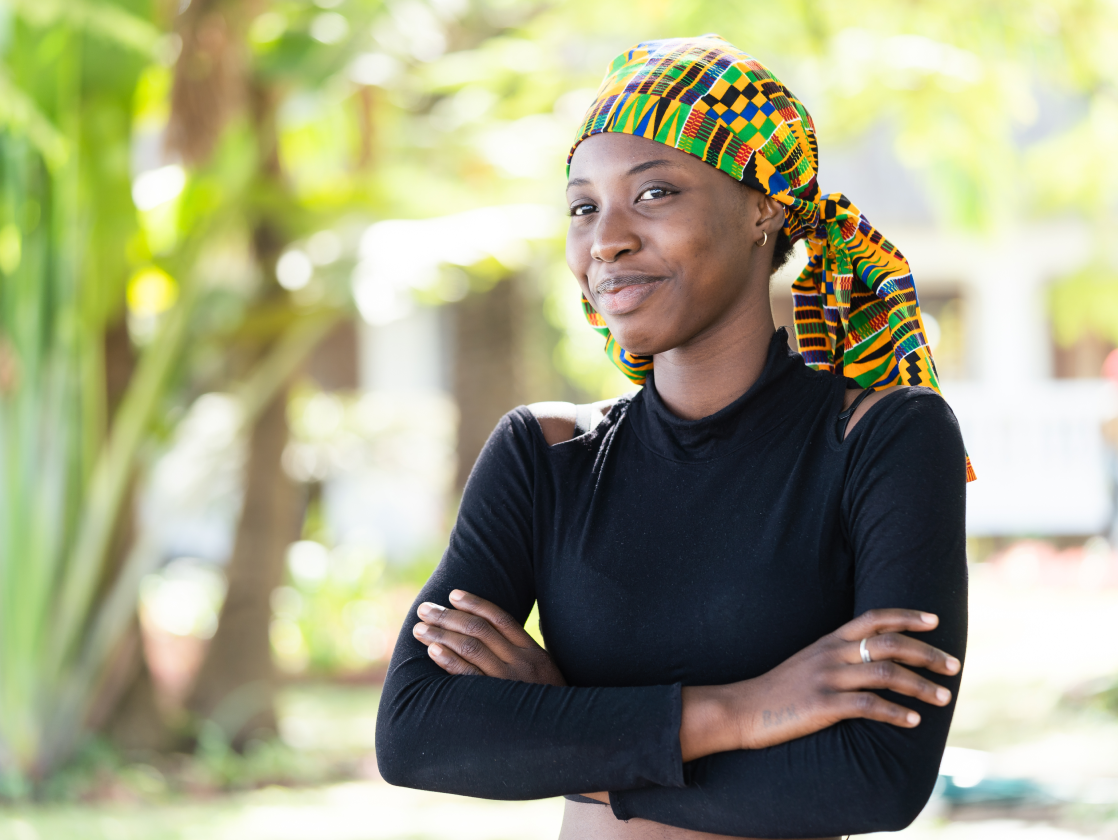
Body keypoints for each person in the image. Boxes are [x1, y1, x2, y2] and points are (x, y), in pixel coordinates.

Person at [376, 35, 970, 839]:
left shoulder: (883, 438)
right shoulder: (547, 455)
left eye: (654, 194)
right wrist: (745, 710)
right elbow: (416, 734)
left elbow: (875, 780)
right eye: (584, 207)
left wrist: (564, 727)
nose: (607, 239)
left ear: (764, 206)